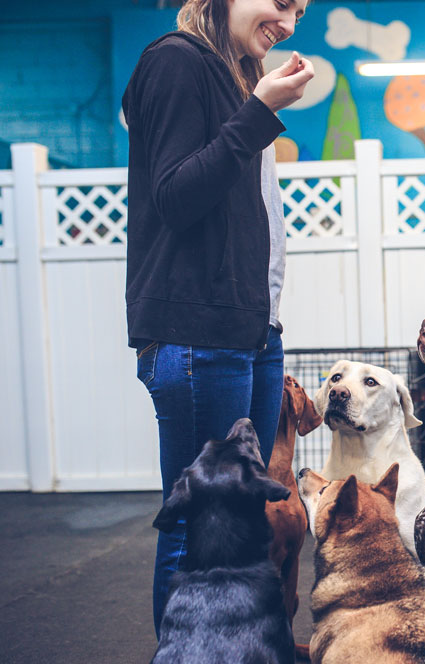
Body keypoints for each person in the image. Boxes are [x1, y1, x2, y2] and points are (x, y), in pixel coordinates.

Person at [121, 0, 314, 637]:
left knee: (240, 524)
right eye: (282, 3)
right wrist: (259, 112)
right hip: (200, 336)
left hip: (253, 334)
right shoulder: (174, 62)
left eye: (300, 12)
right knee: (194, 527)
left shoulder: (232, 78)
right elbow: (176, 197)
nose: (289, 22)